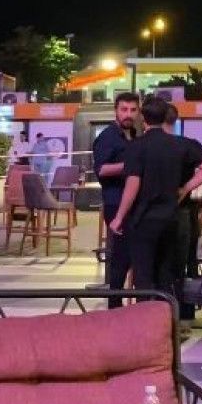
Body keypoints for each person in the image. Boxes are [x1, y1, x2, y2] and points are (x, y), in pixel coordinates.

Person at [108, 98, 202, 308]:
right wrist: (186, 187)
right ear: (165, 117)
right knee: (167, 275)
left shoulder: (137, 146)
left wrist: (119, 217)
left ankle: (146, 321)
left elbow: (133, 183)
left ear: (143, 118)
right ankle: (166, 319)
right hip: (171, 217)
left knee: (143, 276)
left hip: (144, 219)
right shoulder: (180, 144)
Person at [163, 102, 202, 325]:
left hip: (160, 213)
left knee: (162, 264)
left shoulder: (149, 144)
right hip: (186, 211)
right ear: (175, 120)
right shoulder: (189, 144)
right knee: (186, 264)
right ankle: (185, 316)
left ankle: (159, 315)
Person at [93, 91, 140, 307]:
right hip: (115, 203)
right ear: (116, 111)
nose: (128, 114)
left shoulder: (135, 135)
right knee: (121, 256)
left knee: (131, 255)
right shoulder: (107, 137)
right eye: (124, 109)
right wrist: (131, 165)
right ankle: (114, 305)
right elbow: (101, 170)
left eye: (133, 110)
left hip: (134, 204)